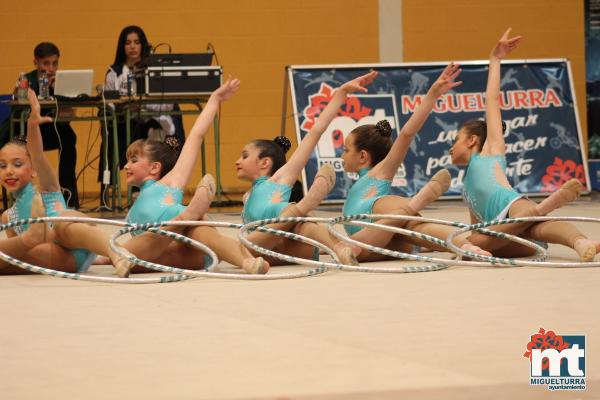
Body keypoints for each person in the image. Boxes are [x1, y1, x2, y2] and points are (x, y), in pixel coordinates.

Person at [304, 64, 491, 263]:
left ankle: (466, 246)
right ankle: (426, 217)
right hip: (371, 240)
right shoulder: (363, 182)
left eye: (346, 150)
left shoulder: (379, 173)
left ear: (363, 156)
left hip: (377, 217)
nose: (342, 156)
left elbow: (406, 134)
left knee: (413, 226)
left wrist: (432, 95)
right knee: (406, 230)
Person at [449, 28, 599, 260]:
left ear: (472, 140)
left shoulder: (490, 152)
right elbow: (477, 225)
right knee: (468, 243)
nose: (450, 148)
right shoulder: (465, 184)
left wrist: (495, 59)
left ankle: (580, 241)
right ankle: (537, 218)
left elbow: (492, 99)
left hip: (512, 208)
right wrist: (473, 240)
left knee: (534, 223)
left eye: (455, 140)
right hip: (504, 233)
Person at [236, 72, 379, 265]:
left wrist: (341, 93)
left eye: (245, 156)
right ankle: (305, 209)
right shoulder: (247, 198)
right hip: (269, 249)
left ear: (265, 163)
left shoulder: (279, 180)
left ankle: (338, 247)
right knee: (242, 245)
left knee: (299, 222)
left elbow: (315, 132)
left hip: (293, 243)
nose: (237, 161)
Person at [0, 89, 93, 274]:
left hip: (71, 250)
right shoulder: (7, 217)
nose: (9, 171)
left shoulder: (45, 188)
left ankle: (33, 237)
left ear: (33, 169)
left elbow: (37, 154)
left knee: (11, 256)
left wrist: (32, 126)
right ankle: (31, 237)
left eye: (17, 164)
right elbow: (17, 255)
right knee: (11, 255)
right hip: (46, 253)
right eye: (2, 166)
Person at [99, 25, 183, 183]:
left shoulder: (155, 69)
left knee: (172, 140)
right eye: (128, 42)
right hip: (127, 124)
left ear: (142, 45)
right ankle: (117, 188)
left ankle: (168, 182)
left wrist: (145, 107)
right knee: (122, 138)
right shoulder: (114, 72)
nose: (132, 46)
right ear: (122, 46)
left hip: (157, 124)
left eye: (136, 42)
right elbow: (110, 103)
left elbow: (167, 105)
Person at [0, 42, 79, 208]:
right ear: (36, 63)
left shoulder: (62, 81)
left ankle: (68, 197)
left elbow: (69, 116)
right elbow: (19, 110)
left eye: (54, 63)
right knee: (17, 146)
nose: (51, 68)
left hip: (47, 130)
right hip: (22, 130)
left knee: (68, 136)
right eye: (46, 63)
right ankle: (19, 200)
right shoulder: (25, 80)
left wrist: (60, 93)